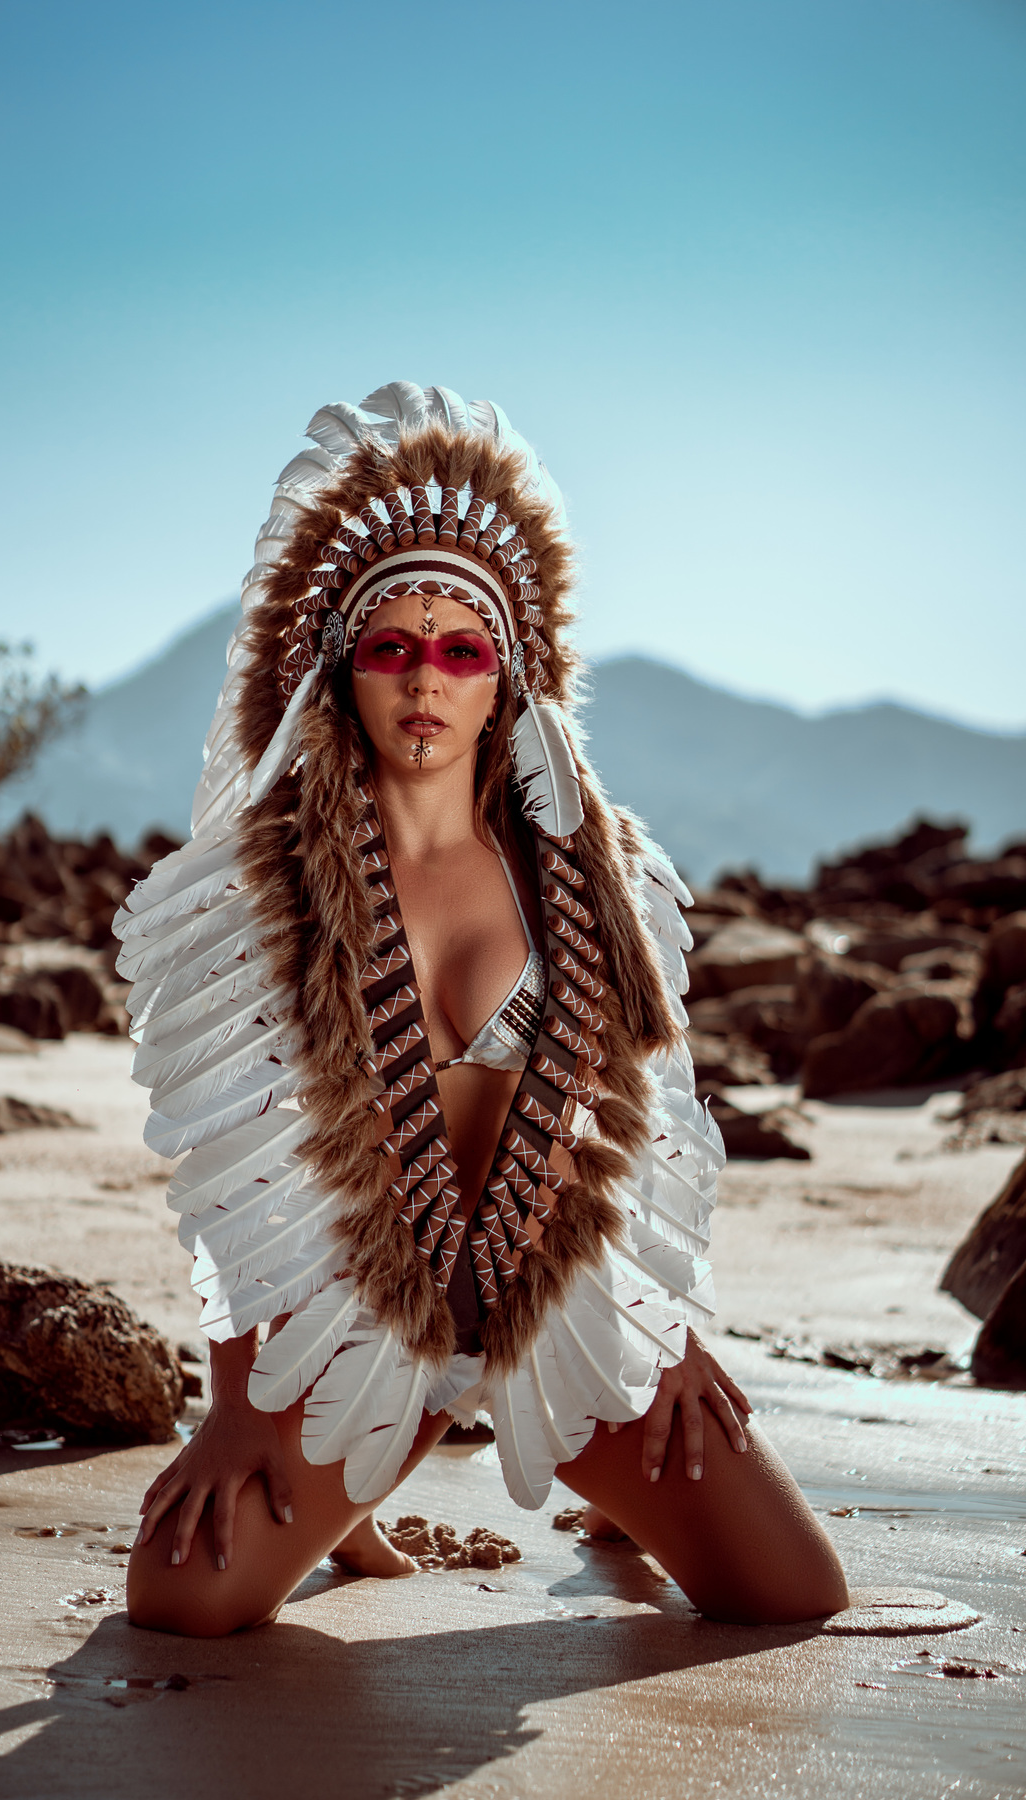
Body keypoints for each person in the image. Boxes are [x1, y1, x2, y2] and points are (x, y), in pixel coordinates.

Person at [118, 383, 848, 1637]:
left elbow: (654, 1122)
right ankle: (362, 1496)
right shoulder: (264, 889)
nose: (426, 680)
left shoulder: (590, 870)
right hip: (363, 1332)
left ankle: (609, 1499)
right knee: (178, 1599)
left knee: (792, 1592)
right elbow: (231, 1179)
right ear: (340, 668)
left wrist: (666, 1333)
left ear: (507, 676)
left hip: (563, 1317)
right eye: (391, 649)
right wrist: (237, 1400)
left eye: (462, 650)